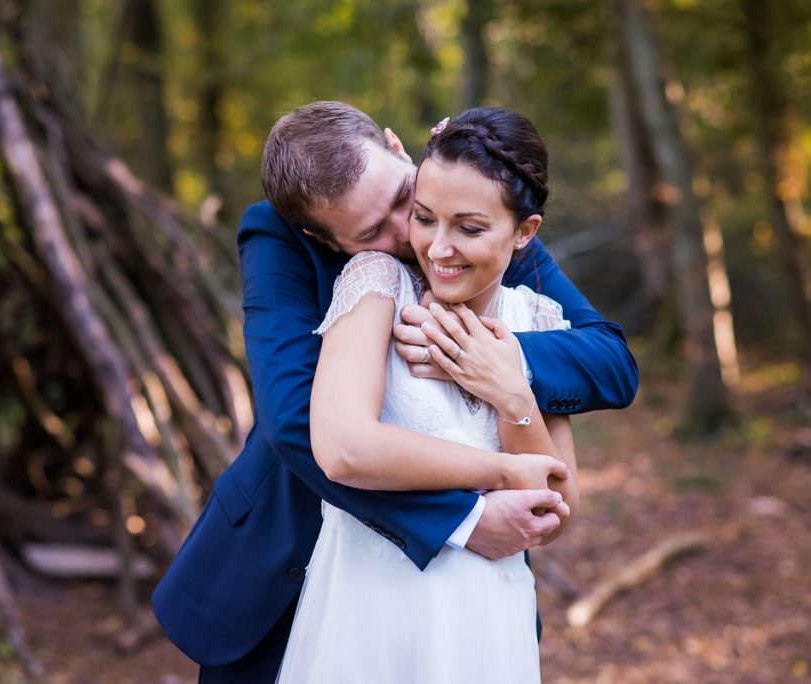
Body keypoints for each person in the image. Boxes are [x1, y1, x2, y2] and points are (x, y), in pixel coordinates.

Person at [152, 101, 639, 683]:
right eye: (369, 233)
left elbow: (611, 363)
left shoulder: (480, 214)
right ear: (321, 236)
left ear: (396, 146)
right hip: (292, 565)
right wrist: (464, 517)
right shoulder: (284, 239)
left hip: (473, 607)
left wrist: (485, 361)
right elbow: (292, 421)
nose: (414, 238)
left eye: (403, 199)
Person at [276, 107, 574, 683]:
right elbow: (343, 448)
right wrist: (501, 475)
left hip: (489, 615)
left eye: (468, 227)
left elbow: (557, 507)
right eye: (425, 218)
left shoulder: (540, 320)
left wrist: (509, 388)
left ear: (524, 233)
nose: (436, 248)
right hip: (373, 608)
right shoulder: (376, 280)